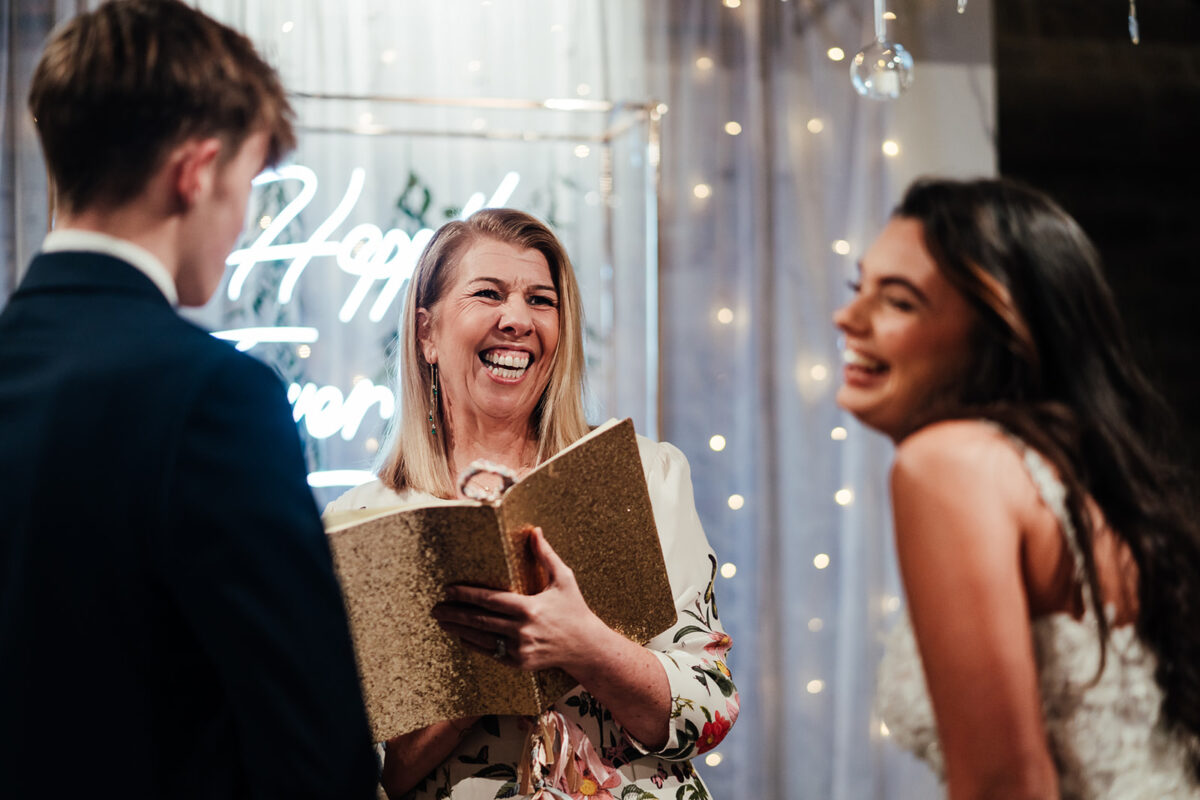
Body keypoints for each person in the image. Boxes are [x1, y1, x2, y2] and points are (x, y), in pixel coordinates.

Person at [0, 1, 377, 797]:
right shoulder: (214, 398)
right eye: (246, 183)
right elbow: (315, 749)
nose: (242, 223)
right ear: (196, 172)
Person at [326, 207, 739, 799]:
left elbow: (712, 705)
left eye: (541, 301)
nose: (517, 319)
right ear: (427, 333)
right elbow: (353, 773)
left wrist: (584, 645)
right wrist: (476, 682)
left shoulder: (644, 476)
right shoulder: (360, 524)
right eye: (488, 293)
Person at [836, 177, 1200, 799]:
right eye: (858, 288)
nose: (849, 318)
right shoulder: (1071, 474)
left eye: (897, 301)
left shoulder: (944, 463)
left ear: (999, 329)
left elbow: (1006, 786)